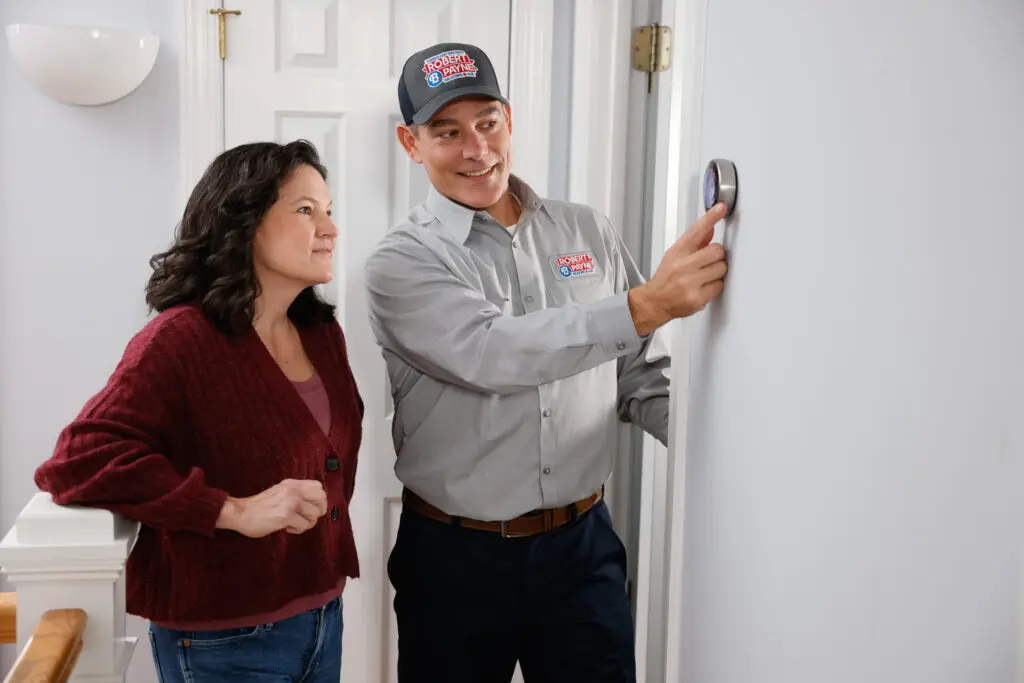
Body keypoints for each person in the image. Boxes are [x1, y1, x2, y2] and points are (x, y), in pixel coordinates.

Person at [363, 42, 729, 682]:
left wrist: (734, 459)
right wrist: (646, 305)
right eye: (447, 132)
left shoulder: (587, 231)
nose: (477, 149)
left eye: (487, 123)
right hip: (455, 559)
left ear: (509, 118)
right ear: (410, 143)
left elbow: (642, 375)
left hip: (582, 549)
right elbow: (492, 352)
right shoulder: (400, 263)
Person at [33, 140, 364, 683]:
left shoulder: (322, 334)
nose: (329, 228)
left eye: (329, 210)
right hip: (222, 641)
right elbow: (79, 460)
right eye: (305, 210)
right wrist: (231, 510)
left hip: (323, 617)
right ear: (244, 220)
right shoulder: (180, 339)